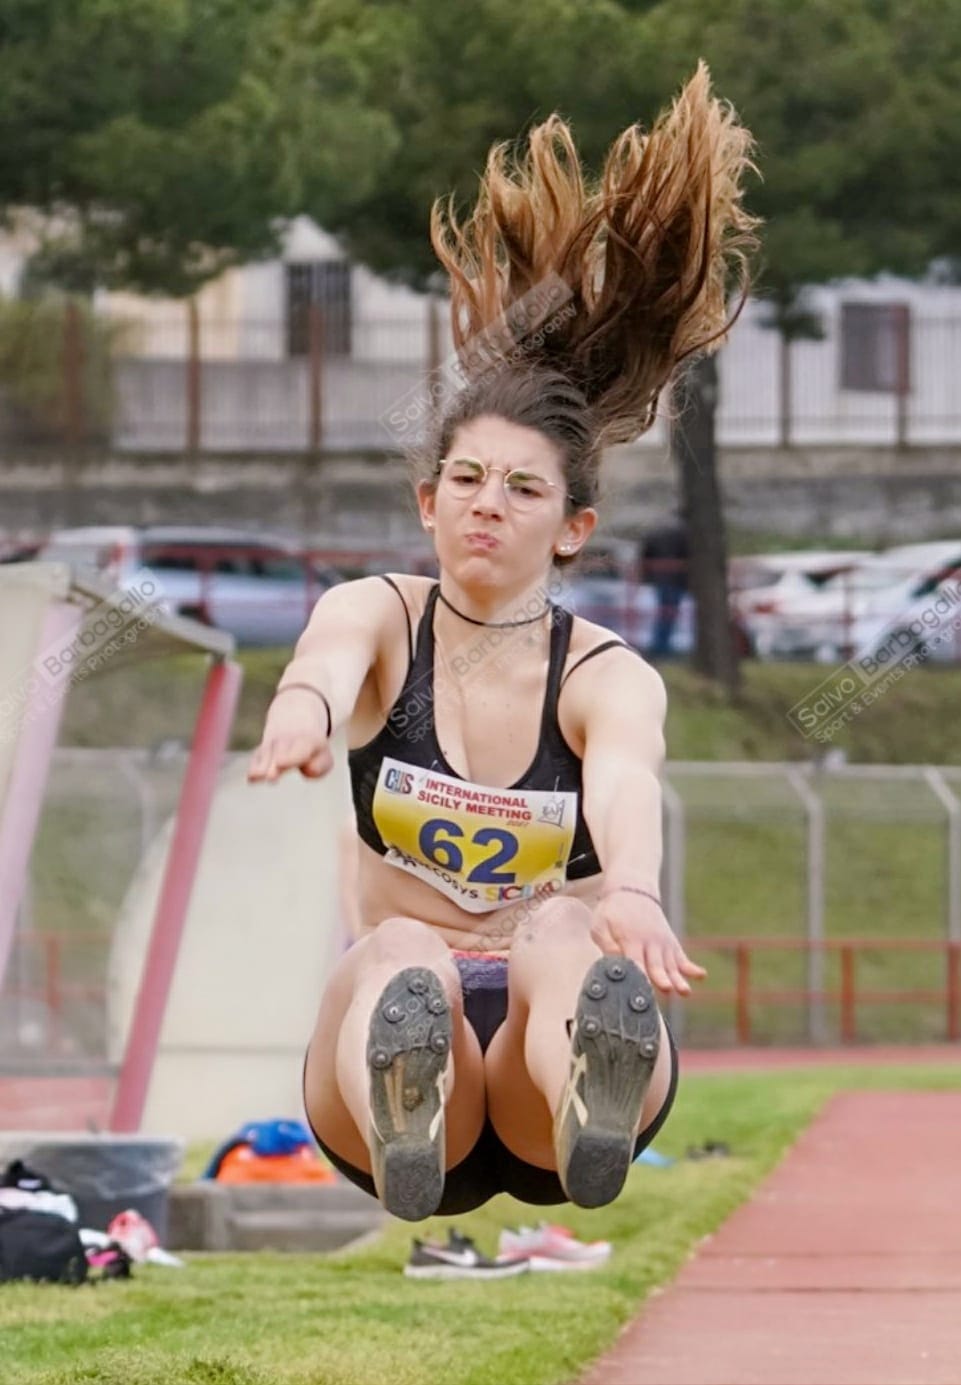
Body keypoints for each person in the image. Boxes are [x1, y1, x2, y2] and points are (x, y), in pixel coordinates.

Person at [248, 63, 757, 1221]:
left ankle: (590, 1087)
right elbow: (326, 661)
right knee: (397, 960)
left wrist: (630, 886)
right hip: (381, 1071)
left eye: (522, 488)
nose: (486, 502)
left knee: (565, 927)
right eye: (464, 479)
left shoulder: (601, 671)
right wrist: (304, 712)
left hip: (542, 1031)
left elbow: (627, 776)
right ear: (425, 502)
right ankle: (410, 1094)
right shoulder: (381, 613)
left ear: (571, 528)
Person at [642, 507, 690, 659]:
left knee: (664, 613)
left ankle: (660, 646)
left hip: (660, 577)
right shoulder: (684, 532)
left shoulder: (659, 531)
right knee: (669, 613)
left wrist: (647, 575)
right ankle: (663, 647)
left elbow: (646, 552)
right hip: (677, 578)